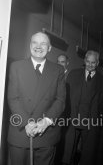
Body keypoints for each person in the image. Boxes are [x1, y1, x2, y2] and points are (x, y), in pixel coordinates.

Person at [7, 32, 66, 165]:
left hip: (46, 134)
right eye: (35, 42)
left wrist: (46, 121)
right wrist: (27, 122)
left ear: (49, 48)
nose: (38, 46)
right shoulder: (16, 66)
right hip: (21, 131)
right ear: (30, 45)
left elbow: (60, 100)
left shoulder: (58, 70)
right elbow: (13, 98)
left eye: (43, 43)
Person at [62, 50, 103, 165]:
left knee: (89, 153)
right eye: (88, 61)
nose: (90, 65)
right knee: (67, 151)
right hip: (72, 118)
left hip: (91, 121)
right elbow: (65, 96)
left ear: (97, 63)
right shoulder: (73, 74)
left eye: (93, 62)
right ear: (84, 61)